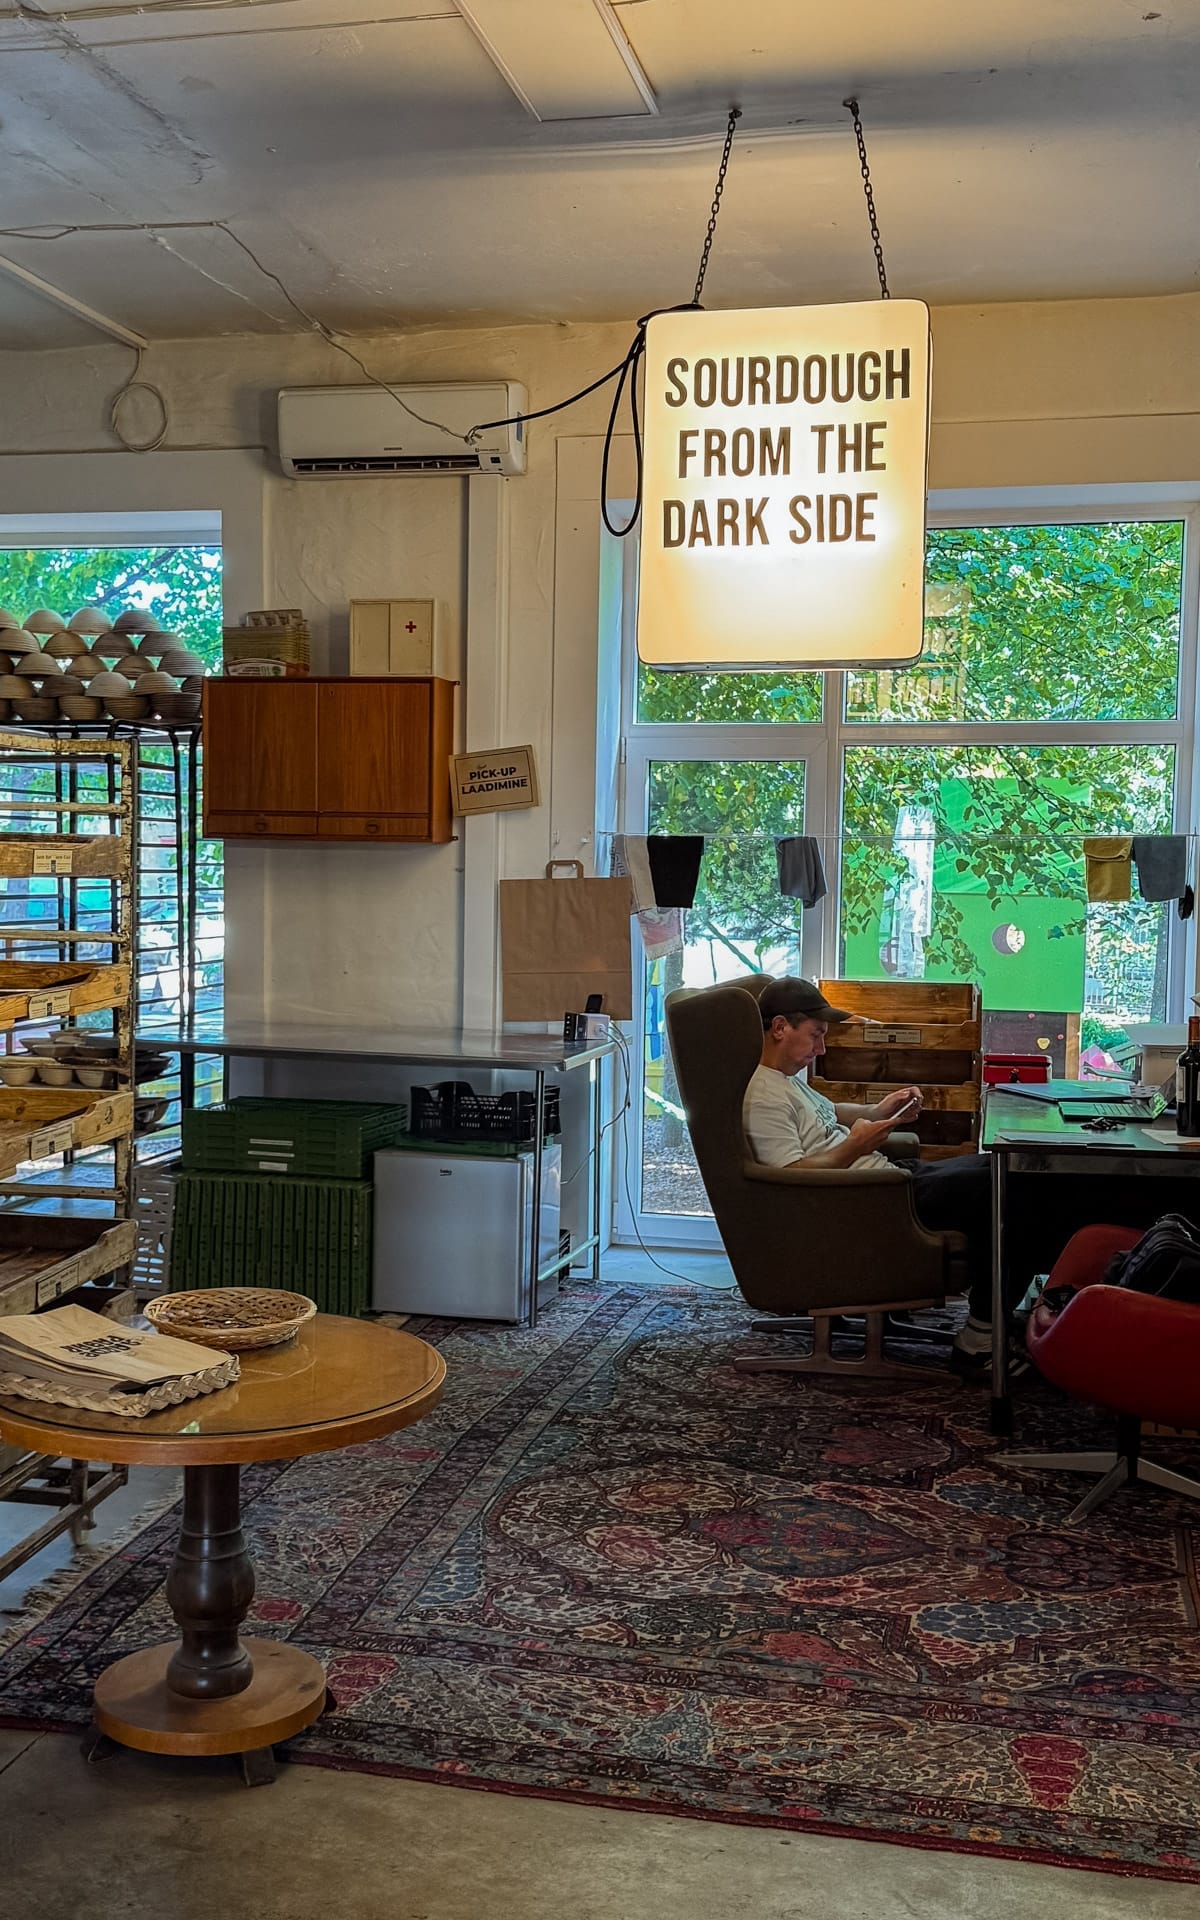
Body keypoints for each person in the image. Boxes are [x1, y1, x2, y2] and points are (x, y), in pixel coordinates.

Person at [741, 976, 1005, 1375]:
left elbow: (828, 1115)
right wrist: (857, 1146)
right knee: (997, 1186)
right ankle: (982, 1333)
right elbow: (790, 1179)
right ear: (780, 1027)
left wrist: (880, 1111)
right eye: (815, 1036)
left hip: (883, 1181)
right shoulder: (762, 1096)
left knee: (994, 1168)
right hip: (870, 1200)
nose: (821, 1049)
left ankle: (992, 1322)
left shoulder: (785, 1081)